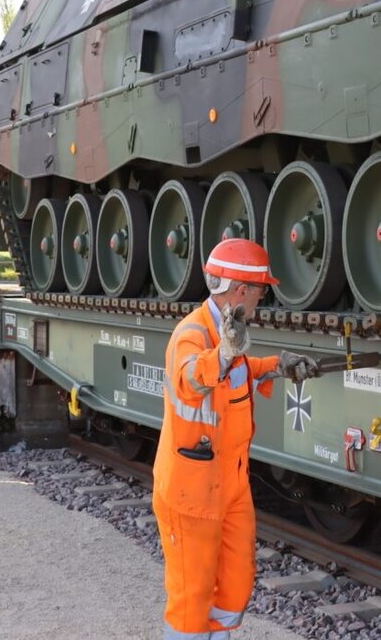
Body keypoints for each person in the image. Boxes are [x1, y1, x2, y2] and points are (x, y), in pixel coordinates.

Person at [153, 238, 321, 639]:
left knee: (236, 584)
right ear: (242, 290)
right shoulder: (192, 333)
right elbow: (192, 378)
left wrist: (278, 365)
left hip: (229, 485)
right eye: (261, 292)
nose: (261, 300)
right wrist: (226, 353)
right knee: (191, 598)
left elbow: (240, 372)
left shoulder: (228, 331)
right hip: (190, 491)